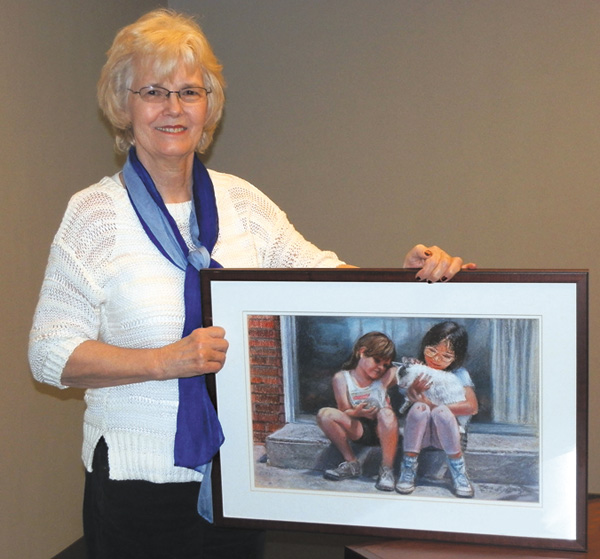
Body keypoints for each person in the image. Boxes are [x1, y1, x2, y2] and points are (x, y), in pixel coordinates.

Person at [28, 8, 473, 559]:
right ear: (124, 105)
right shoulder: (94, 213)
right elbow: (50, 353)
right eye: (154, 91)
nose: (173, 108)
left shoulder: (242, 202)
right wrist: (166, 361)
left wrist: (406, 280)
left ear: (209, 106)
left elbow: (321, 274)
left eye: (189, 92)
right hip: (136, 484)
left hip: (236, 479)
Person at [395, 321, 478, 498]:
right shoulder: (417, 369)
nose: (436, 359)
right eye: (432, 351)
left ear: (456, 357)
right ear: (424, 346)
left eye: (446, 355)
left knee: (441, 412)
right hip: (420, 436)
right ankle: (408, 468)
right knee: (419, 408)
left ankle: (459, 472)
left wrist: (434, 406)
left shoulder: (459, 374)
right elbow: (406, 404)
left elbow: (472, 407)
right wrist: (413, 391)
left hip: (450, 437)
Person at [317, 332, 399, 491]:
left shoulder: (384, 377)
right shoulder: (342, 378)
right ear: (361, 352)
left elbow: (401, 371)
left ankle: (386, 469)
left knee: (386, 413)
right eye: (377, 360)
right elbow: (344, 410)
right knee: (324, 414)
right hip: (359, 429)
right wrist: (357, 413)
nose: (380, 368)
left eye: (385, 365)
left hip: (384, 431)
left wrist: (407, 367)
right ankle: (352, 463)